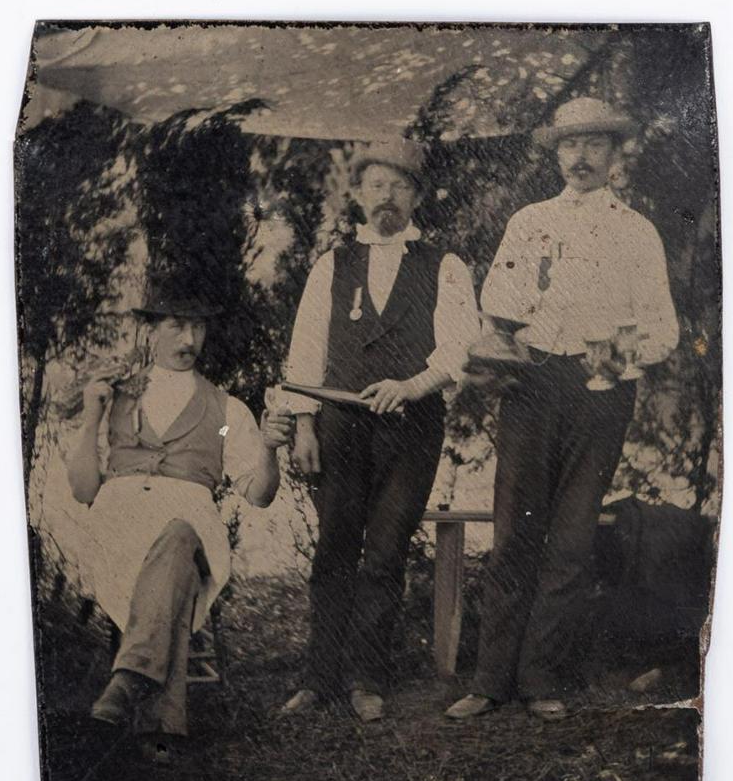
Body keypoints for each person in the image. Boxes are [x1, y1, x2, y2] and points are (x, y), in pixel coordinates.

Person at [446, 97, 680, 721]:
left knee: (571, 539)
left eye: (594, 144)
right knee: (513, 532)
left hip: (601, 390)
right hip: (531, 384)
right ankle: (491, 680)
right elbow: (498, 301)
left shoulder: (637, 232)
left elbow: (663, 328)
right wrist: (509, 339)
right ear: (556, 154)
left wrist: (609, 359)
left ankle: (540, 677)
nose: (581, 157)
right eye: (570, 145)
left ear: (614, 154)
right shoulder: (530, 223)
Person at [283, 139, 480, 721]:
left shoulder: (445, 266)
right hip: (340, 427)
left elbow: (460, 348)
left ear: (415, 196)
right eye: (376, 185)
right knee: (334, 547)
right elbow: (306, 350)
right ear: (358, 195)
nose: (386, 196)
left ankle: (368, 680)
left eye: (398, 186)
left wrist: (412, 386)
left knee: (386, 551)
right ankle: (318, 679)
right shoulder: (333, 264)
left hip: (412, 429)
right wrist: (304, 424)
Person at [66, 285, 294, 738]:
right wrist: (92, 416)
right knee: (174, 572)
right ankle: (163, 732)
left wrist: (268, 449)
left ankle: (128, 681)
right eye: (176, 326)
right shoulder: (117, 397)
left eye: (198, 327)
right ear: (151, 331)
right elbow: (83, 489)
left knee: (179, 536)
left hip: (188, 527)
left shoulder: (225, 411)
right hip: (119, 528)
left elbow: (259, 494)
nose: (189, 340)